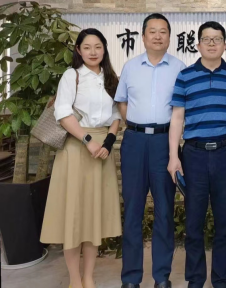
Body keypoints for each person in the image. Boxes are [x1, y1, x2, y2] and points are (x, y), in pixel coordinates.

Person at [168, 21, 226, 288]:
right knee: (193, 224)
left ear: (225, 44)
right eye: (206, 39)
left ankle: (221, 281)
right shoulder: (185, 76)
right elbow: (177, 117)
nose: (212, 43)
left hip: (225, 152)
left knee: (225, 222)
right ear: (198, 44)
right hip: (194, 155)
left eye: (217, 39)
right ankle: (195, 280)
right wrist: (173, 156)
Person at [41, 28, 122, 288]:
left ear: (104, 49)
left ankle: (89, 277)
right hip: (76, 148)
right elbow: (63, 113)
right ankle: (75, 280)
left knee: (92, 217)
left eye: (98, 47)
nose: (93, 52)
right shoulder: (71, 76)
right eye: (87, 47)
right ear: (78, 50)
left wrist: (107, 143)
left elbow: (116, 116)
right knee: (73, 217)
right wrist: (88, 141)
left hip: (102, 151)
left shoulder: (111, 78)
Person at [115, 13, 186, 288]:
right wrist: (136, 125)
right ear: (143, 37)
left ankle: (161, 277)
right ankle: (131, 278)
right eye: (152, 31)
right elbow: (122, 103)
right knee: (133, 210)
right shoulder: (130, 67)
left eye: (163, 31)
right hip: (134, 142)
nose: (158, 36)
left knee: (165, 211)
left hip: (164, 143)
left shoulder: (180, 68)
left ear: (169, 37)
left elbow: (182, 110)